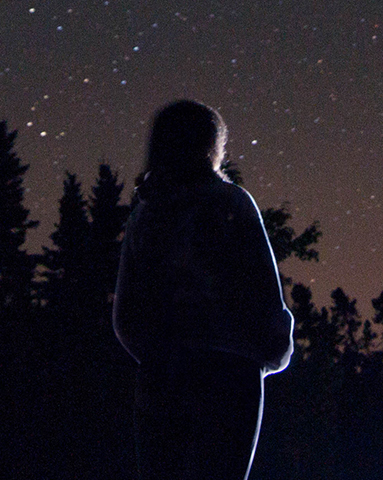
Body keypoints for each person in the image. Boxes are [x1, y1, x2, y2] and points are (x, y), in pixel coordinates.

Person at [113, 100, 294, 480]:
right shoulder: (232, 203)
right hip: (230, 378)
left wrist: (159, 358)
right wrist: (271, 352)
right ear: (213, 145)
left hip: (161, 380)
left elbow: (125, 316)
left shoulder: (145, 215)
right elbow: (265, 297)